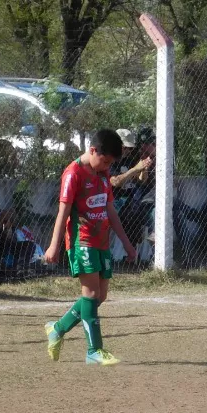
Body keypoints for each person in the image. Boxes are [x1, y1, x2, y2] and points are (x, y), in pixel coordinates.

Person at [43, 129, 137, 366]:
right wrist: (53, 246)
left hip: (101, 241)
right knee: (91, 295)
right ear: (93, 151)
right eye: (105, 161)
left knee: (99, 297)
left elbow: (110, 210)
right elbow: (63, 212)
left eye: (110, 164)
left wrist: (127, 243)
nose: (107, 167)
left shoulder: (103, 173)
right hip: (81, 241)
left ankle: (57, 328)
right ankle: (94, 351)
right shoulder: (72, 174)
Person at [110, 127, 155, 252]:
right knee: (129, 214)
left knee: (148, 211)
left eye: (130, 148)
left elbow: (141, 181)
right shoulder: (110, 161)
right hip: (115, 201)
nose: (128, 151)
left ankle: (140, 250)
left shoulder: (130, 160)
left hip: (132, 201)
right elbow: (115, 182)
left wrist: (144, 169)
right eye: (125, 148)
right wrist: (135, 169)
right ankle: (128, 251)